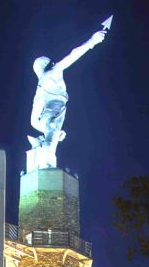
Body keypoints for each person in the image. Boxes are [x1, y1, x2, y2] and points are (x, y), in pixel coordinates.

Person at [28, 26, 107, 165]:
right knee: (51, 135)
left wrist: (47, 126)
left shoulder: (40, 86)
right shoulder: (53, 71)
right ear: (47, 64)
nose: (53, 63)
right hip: (57, 106)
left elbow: (34, 119)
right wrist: (92, 41)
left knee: (51, 133)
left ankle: (45, 150)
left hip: (49, 111)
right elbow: (72, 56)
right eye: (50, 62)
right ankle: (46, 156)